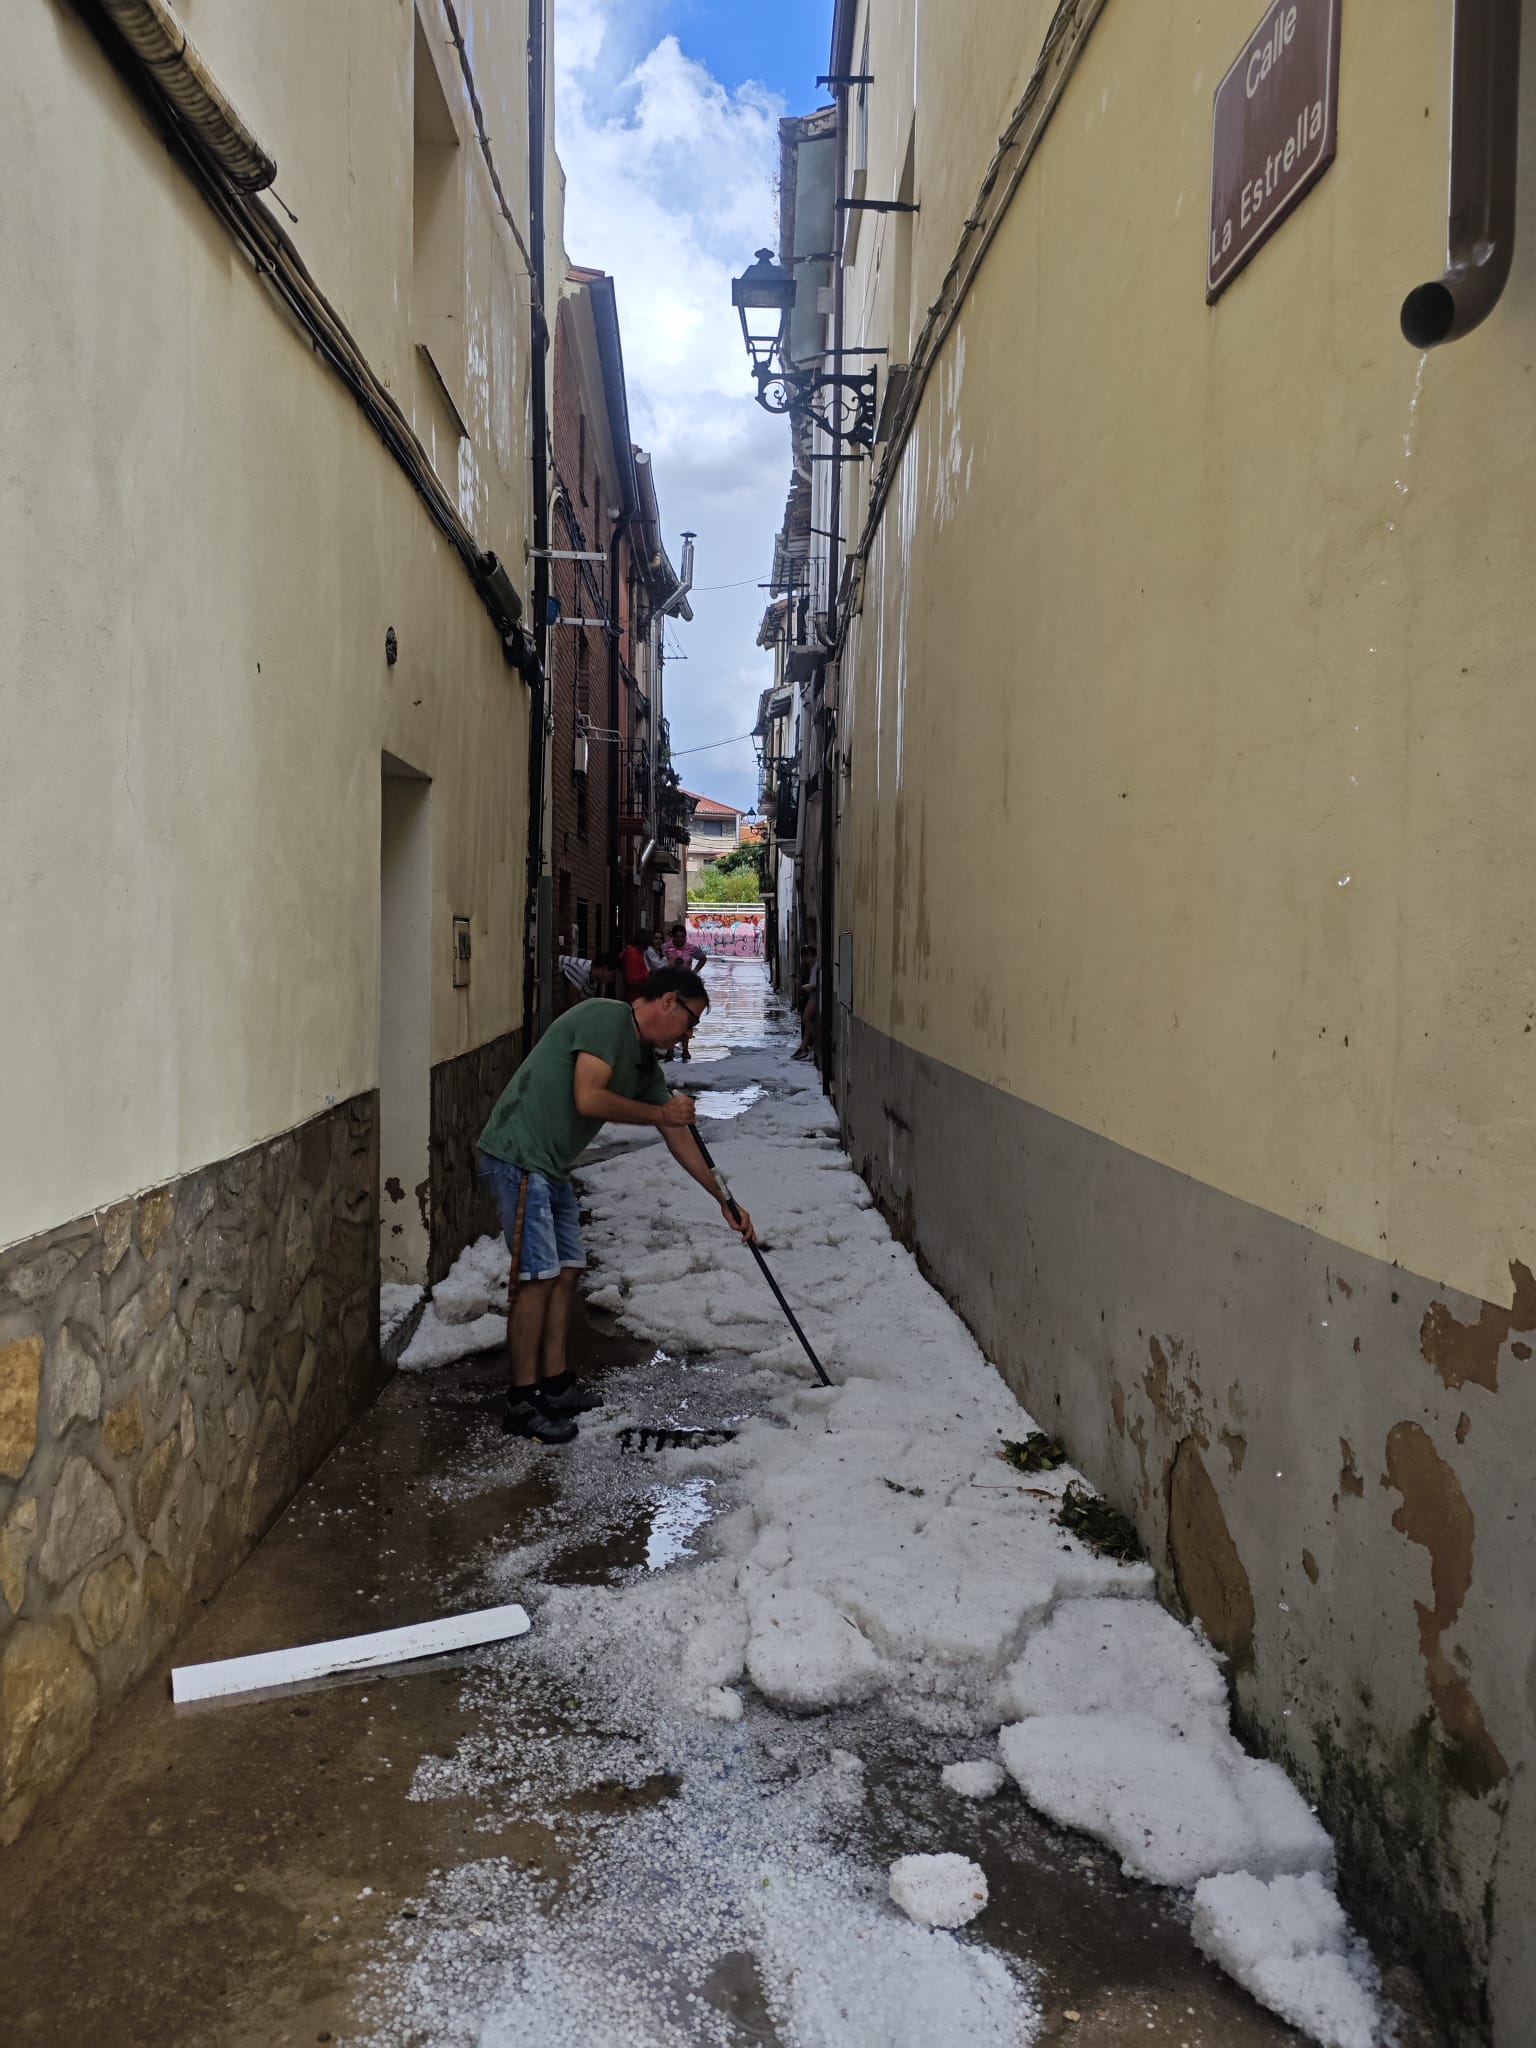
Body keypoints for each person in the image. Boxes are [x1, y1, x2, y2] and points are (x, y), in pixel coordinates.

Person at [477, 967, 756, 1443]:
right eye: (691, 1021)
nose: (689, 1034)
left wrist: (723, 1199)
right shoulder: (605, 1018)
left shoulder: (644, 1064)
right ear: (668, 1001)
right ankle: (521, 1403)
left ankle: (556, 1384)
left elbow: (676, 1133)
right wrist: (660, 1111)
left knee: (567, 1270)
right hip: (519, 1155)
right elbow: (589, 1097)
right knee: (536, 1279)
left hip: (551, 1165)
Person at [663, 922, 707, 1061]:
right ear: (673, 937)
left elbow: (703, 958)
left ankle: (685, 1049)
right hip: (669, 987)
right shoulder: (666, 948)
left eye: (682, 936)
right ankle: (669, 1049)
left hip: (685, 988)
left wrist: (694, 972)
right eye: (677, 936)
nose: (680, 939)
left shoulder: (691, 948)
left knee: (685, 1019)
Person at [793, 942, 818, 1061]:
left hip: (815, 996)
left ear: (809, 955)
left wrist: (805, 987)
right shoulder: (815, 967)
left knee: (806, 1018)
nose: (806, 961)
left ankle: (818, 1041)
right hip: (813, 995)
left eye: (806, 958)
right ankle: (803, 1048)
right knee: (808, 1022)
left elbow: (815, 984)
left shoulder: (817, 966)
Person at [619, 934, 650, 1000]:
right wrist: (648, 975)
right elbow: (632, 979)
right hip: (634, 996)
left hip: (637, 994)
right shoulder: (633, 954)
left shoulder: (637, 952)